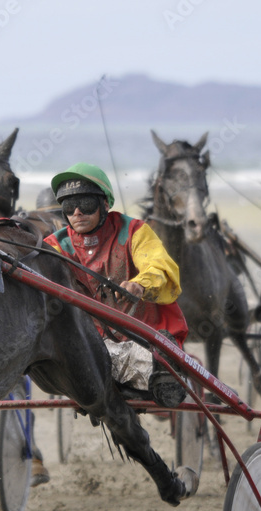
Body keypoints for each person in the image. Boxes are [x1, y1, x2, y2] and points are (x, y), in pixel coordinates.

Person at [45, 163, 188, 408]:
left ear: (105, 204)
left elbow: (161, 267)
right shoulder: (54, 246)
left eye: (86, 204)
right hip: (93, 348)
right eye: (69, 206)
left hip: (146, 339)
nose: (77, 212)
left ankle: (165, 371)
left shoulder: (134, 231)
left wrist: (140, 286)